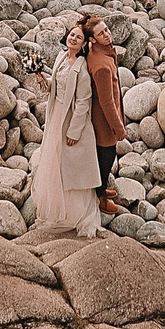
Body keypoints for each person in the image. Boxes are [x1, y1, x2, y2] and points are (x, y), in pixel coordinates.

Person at [31, 14, 125, 236]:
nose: (73, 39)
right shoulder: (61, 58)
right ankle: (66, 202)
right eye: (72, 35)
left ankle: (83, 204)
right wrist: (43, 81)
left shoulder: (83, 67)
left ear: (85, 43)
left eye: (78, 37)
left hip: (72, 118)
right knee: (58, 160)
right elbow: (58, 88)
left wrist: (74, 131)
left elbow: (83, 102)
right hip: (58, 116)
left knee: (75, 162)